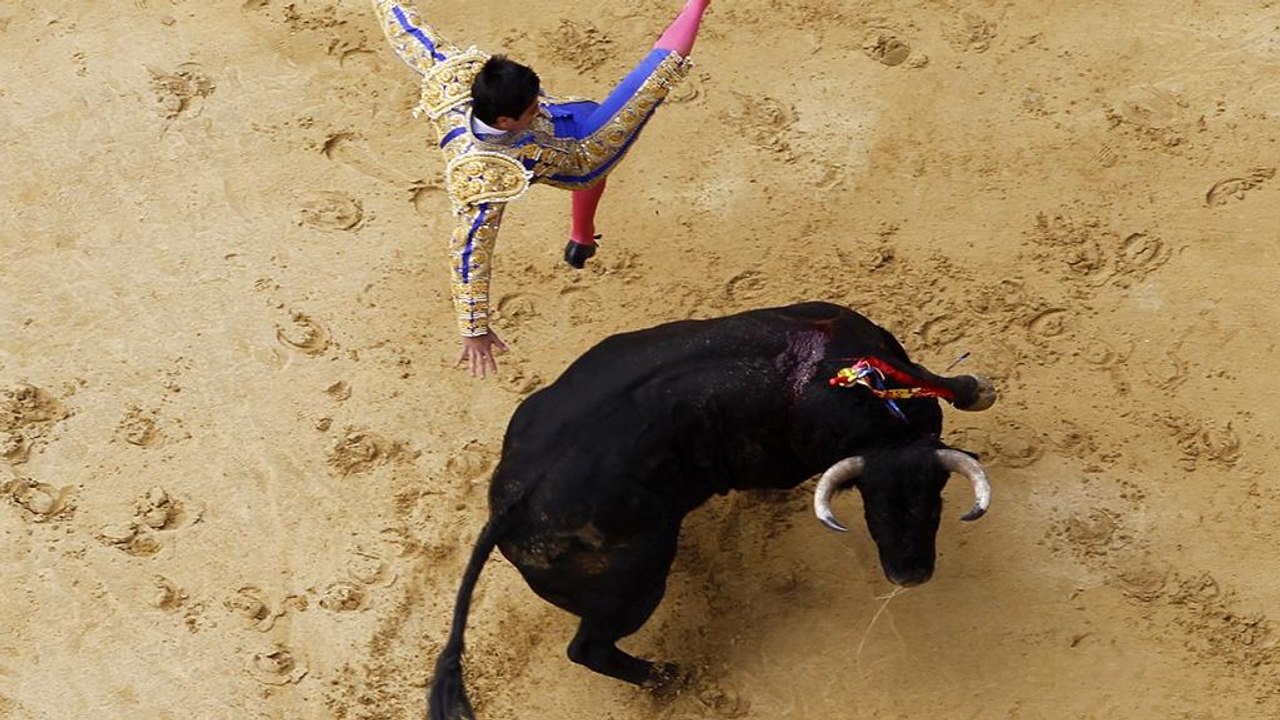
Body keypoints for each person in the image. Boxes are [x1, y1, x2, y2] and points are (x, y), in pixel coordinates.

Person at [371, 0, 711, 378]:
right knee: (654, 75)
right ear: (504, 119)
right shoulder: (481, 176)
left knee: (590, 108)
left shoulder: (458, 79)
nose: (537, 104)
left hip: (570, 116)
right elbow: (469, 250)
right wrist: (474, 329)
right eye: (531, 106)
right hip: (584, 153)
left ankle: (581, 237)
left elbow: (411, 32)